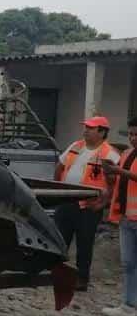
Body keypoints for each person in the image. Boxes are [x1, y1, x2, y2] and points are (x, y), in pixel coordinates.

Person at [53, 116, 120, 291]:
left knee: (84, 243)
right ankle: (55, 274)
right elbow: (59, 167)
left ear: (102, 132)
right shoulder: (76, 146)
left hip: (88, 206)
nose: (86, 130)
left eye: (91, 128)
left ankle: (81, 278)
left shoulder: (109, 154)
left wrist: (102, 204)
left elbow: (114, 184)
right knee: (59, 240)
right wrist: (57, 191)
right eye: (86, 127)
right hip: (66, 201)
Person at [101, 117, 137, 316]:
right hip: (126, 217)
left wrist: (118, 171)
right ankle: (128, 306)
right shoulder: (126, 154)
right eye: (131, 134)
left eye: (136, 134)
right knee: (129, 264)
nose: (133, 138)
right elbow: (119, 182)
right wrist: (110, 174)